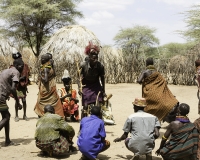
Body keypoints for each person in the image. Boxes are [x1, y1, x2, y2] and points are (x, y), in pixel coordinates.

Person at [137, 57, 179, 122]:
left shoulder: (145, 72)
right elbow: (163, 82)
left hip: (149, 93)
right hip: (156, 93)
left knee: (147, 106)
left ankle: (149, 120)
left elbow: (139, 80)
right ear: (153, 64)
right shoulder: (156, 72)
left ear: (146, 64)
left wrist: (145, 83)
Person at [77, 41, 106, 118]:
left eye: (96, 56)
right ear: (89, 57)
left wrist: (103, 90)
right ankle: (83, 124)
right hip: (86, 85)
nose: (95, 58)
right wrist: (79, 88)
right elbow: (78, 77)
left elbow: (102, 78)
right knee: (85, 107)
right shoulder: (83, 65)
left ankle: (98, 123)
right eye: (93, 56)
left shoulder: (100, 66)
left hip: (96, 85)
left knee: (98, 107)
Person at [0, 58, 24, 146]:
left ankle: (7, 140)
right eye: (22, 66)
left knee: (6, 117)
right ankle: (7, 140)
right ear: (17, 66)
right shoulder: (16, 72)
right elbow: (13, 88)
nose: (22, 68)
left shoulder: (6, 70)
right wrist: (18, 102)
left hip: (1, 96)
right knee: (6, 117)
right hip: (1, 97)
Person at [11, 52, 30, 122]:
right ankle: (16, 115)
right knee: (17, 100)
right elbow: (11, 78)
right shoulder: (12, 67)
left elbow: (28, 75)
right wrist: (20, 78)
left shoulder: (25, 66)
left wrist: (25, 81)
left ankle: (24, 115)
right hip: (16, 86)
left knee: (24, 100)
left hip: (23, 86)